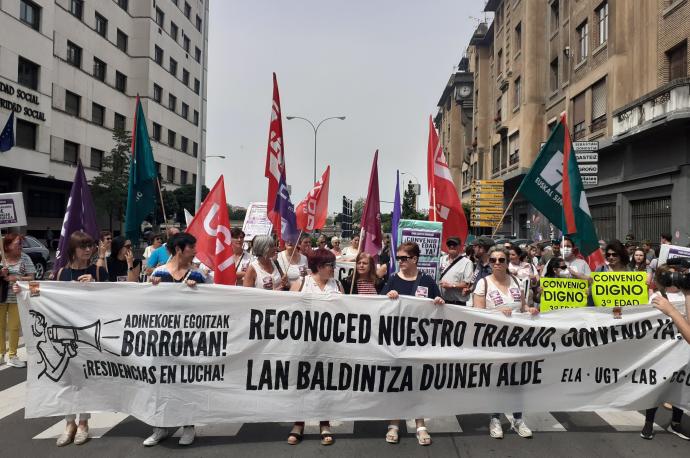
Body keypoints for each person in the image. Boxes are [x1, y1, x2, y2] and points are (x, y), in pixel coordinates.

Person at [144, 233, 205, 447]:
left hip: (190, 342)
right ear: (179, 249)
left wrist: (200, 289)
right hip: (161, 341)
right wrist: (152, 289)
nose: (195, 251)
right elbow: (144, 307)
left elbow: (214, 305)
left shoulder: (199, 275)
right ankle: (159, 426)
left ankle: (188, 425)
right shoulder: (159, 274)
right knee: (160, 384)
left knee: (187, 383)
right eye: (192, 247)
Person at [381, 241, 444, 446]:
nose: (400, 262)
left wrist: (439, 303)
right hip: (397, 340)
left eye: (404, 258)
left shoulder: (427, 281)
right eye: (398, 258)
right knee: (397, 381)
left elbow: (440, 305)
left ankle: (420, 424)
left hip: (420, 341)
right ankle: (394, 423)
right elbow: (379, 307)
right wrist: (387, 297)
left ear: (415, 259)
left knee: (418, 382)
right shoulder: (392, 280)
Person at [473, 246, 538, 439]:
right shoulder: (483, 284)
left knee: (517, 381)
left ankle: (518, 419)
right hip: (495, 340)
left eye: (501, 260)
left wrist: (530, 310)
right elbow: (478, 312)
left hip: (517, 340)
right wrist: (498, 311)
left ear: (507, 262)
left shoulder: (516, 281)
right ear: (489, 262)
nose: (497, 263)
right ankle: (495, 418)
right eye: (493, 260)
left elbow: (524, 305)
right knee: (497, 380)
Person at [54, 230, 108, 446]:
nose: (88, 250)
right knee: (67, 380)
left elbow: (115, 296)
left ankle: (83, 422)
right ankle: (69, 422)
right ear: (72, 250)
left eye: (90, 246)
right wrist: (22, 290)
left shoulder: (97, 269)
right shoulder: (61, 273)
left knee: (85, 380)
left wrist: (95, 283)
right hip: (66, 333)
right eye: (83, 246)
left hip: (89, 335)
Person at [288, 248, 343, 446]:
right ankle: (298, 423)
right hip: (304, 343)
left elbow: (347, 311)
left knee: (325, 383)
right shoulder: (301, 284)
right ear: (319, 266)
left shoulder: (336, 285)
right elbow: (287, 311)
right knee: (302, 383)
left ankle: (324, 423)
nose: (334, 269)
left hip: (329, 345)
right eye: (331, 266)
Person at [643, 264, 690, 440]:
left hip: (683, 349)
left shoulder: (686, 294)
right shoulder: (657, 296)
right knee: (657, 387)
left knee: (682, 386)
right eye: (670, 276)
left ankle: (676, 423)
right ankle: (648, 422)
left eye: (677, 275)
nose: (675, 278)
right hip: (662, 351)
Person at [0, 233, 36, 367]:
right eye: (18, 244)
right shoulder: (1, 256)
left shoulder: (25, 258)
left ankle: (12, 355)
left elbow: (32, 277)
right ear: (8, 246)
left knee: (14, 327)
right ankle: (0, 354)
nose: (21, 246)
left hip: (17, 298)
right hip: (1, 297)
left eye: (21, 244)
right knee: (0, 326)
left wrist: (17, 278)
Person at [438, 237, 473, 305]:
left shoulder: (467, 262)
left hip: (457, 303)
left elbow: (467, 284)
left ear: (460, 246)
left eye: (454, 244)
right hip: (441, 301)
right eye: (449, 244)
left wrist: (451, 285)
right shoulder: (441, 259)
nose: (451, 246)